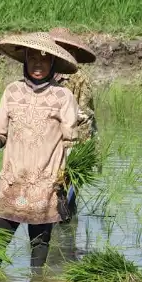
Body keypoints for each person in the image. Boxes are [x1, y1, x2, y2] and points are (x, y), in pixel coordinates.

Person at [0, 32, 79, 268]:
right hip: (12, 180)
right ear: (25, 61)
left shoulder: (63, 97)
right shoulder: (12, 91)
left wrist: (67, 184)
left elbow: (71, 141)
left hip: (45, 184)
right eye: (32, 58)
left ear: (53, 64)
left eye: (44, 60)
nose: (38, 64)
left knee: (40, 245)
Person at [50, 28, 97, 221]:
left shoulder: (79, 79)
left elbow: (85, 116)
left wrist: (76, 151)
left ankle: (65, 238)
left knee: (65, 194)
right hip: (48, 143)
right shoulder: (44, 72)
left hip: (71, 144)